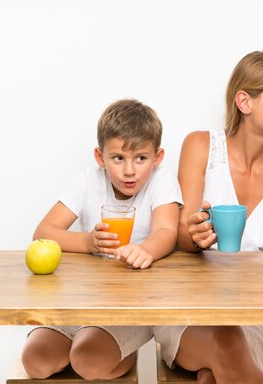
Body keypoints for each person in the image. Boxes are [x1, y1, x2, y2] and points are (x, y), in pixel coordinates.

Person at [153, 50, 263, 384]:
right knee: (225, 341)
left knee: (212, 375)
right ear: (244, 102)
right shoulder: (201, 146)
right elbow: (183, 237)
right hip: (196, 311)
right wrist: (196, 234)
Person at [21, 99, 182, 380]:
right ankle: (89, 341)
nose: (129, 170)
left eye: (141, 158)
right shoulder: (87, 180)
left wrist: (145, 250)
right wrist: (87, 243)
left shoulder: (162, 180)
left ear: (157, 158)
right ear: (100, 157)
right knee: (35, 361)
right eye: (118, 158)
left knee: (88, 360)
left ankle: (118, 351)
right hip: (83, 298)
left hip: (131, 304)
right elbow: (43, 232)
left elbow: (167, 232)